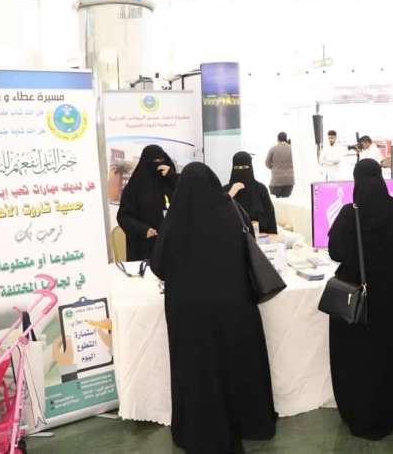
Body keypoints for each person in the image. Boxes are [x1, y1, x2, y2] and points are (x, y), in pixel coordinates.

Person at [150, 162, 277, 453]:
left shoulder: (176, 219)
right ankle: (248, 422)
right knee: (236, 365)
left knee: (199, 371)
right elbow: (249, 248)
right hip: (235, 306)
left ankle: (200, 427)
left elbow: (159, 266)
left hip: (190, 313)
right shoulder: (232, 212)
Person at [327, 159, 393, 439]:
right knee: (390, 354)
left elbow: (335, 252)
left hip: (358, 304)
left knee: (357, 359)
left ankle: (359, 410)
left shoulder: (349, 214)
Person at [116, 145, 177, 261]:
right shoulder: (134, 188)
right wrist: (144, 230)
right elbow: (123, 217)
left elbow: (185, 200)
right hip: (145, 248)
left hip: (170, 246)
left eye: (161, 160)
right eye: (155, 161)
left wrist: (172, 176)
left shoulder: (170, 182)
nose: (158, 164)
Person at [224, 151, 278, 234]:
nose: (241, 171)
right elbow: (219, 215)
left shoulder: (260, 189)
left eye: (244, 167)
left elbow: (270, 217)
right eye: (237, 168)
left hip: (258, 238)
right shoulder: (226, 190)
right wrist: (230, 195)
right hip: (232, 238)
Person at [265, 132, 294, 198]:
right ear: (286, 138)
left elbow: (267, 163)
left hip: (276, 181)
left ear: (278, 139)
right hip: (290, 180)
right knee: (285, 201)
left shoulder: (273, 149)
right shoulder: (292, 149)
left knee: (276, 202)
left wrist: (273, 168)